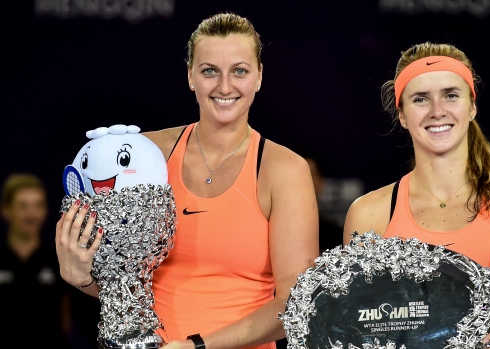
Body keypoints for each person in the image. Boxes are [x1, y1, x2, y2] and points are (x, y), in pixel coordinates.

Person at [55, 12, 319, 349]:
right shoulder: (145, 154)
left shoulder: (284, 170)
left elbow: (296, 305)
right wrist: (80, 277)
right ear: (191, 76)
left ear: (259, 77)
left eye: (240, 71)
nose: (225, 86)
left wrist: (198, 345)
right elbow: (120, 282)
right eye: (210, 71)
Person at [343, 42, 490, 348]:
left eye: (451, 95)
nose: (437, 111)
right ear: (402, 114)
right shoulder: (369, 215)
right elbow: (353, 327)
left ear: (472, 106)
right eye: (420, 99)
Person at [0, 173, 71, 347]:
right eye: (23, 206)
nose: (31, 214)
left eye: (38, 205)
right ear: (6, 210)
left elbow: (67, 319)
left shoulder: (60, 259)